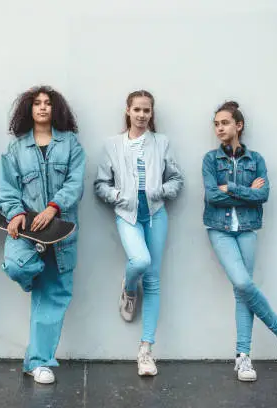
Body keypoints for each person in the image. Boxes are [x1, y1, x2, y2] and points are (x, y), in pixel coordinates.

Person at [0, 85, 85, 384]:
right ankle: (31, 278)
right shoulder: (16, 148)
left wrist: (54, 207)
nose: (43, 107)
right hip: (27, 232)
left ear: (55, 109)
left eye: (48, 103)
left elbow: (75, 182)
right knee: (16, 265)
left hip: (60, 233)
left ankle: (40, 362)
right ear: (29, 109)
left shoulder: (71, 143)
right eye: (37, 103)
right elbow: (7, 190)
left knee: (53, 298)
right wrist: (16, 213)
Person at [202, 100, 277, 382]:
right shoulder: (210, 159)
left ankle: (242, 357)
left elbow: (263, 195)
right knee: (243, 284)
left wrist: (229, 187)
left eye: (225, 123)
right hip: (219, 229)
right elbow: (211, 196)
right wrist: (245, 190)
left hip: (247, 229)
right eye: (216, 124)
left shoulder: (256, 160)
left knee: (242, 292)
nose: (220, 128)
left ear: (238, 125)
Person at [94, 90, 183, 376]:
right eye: (137, 110)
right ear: (128, 111)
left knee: (154, 280)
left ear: (151, 113)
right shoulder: (113, 145)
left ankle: (145, 350)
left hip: (156, 215)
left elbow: (177, 179)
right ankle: (130, 289)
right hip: (127, 215)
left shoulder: (162, 142)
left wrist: (160, 191)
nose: (142, 115)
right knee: (140, 262)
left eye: (147, 110)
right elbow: (100, 185)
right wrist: (118, 195)